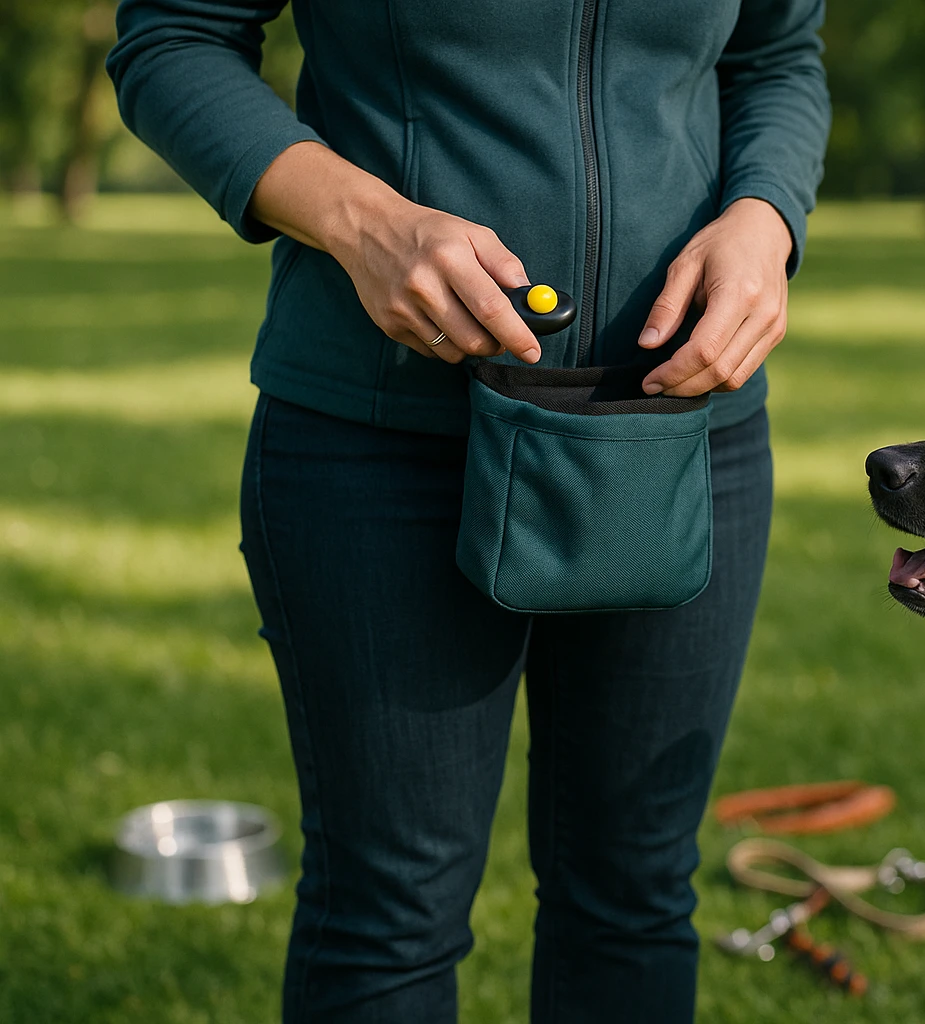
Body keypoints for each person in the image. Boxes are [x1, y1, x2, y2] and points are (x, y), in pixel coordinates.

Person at [106, 2, 830, 1020]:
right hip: (381, 438)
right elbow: (173, 37)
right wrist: (366, 222)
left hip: (680, 438)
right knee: (391, 916)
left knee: (635, 894)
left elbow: (777, 58)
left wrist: (765, 217)